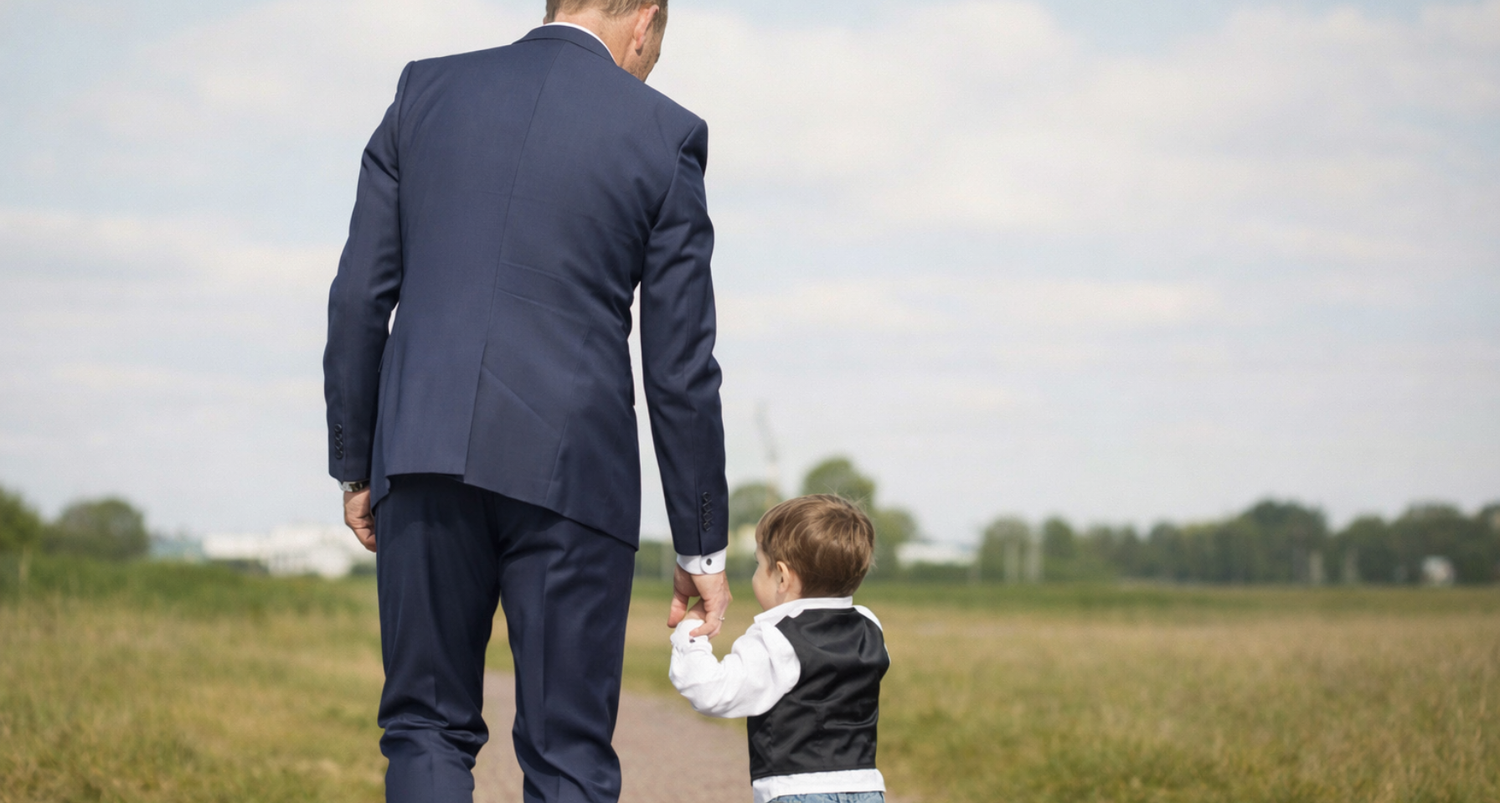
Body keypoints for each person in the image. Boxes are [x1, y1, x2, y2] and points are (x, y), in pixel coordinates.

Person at [322, 1, 733, 801]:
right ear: (643, 21)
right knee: (566, 750)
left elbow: (358, 298)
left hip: (421, 452)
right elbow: (679, 364)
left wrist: (355, 463)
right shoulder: (666, 133)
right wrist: (702, 546)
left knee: (426, 729)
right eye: (654, 51)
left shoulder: (424, 93)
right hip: (572, 475)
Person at [670, 495, 890, 803]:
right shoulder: (870, 627)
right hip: (866, 788)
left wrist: (690, 634)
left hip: (795, 790)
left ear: (783, 577)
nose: (755, 575)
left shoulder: (777, 639)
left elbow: (710, 691)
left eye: (759, 565)